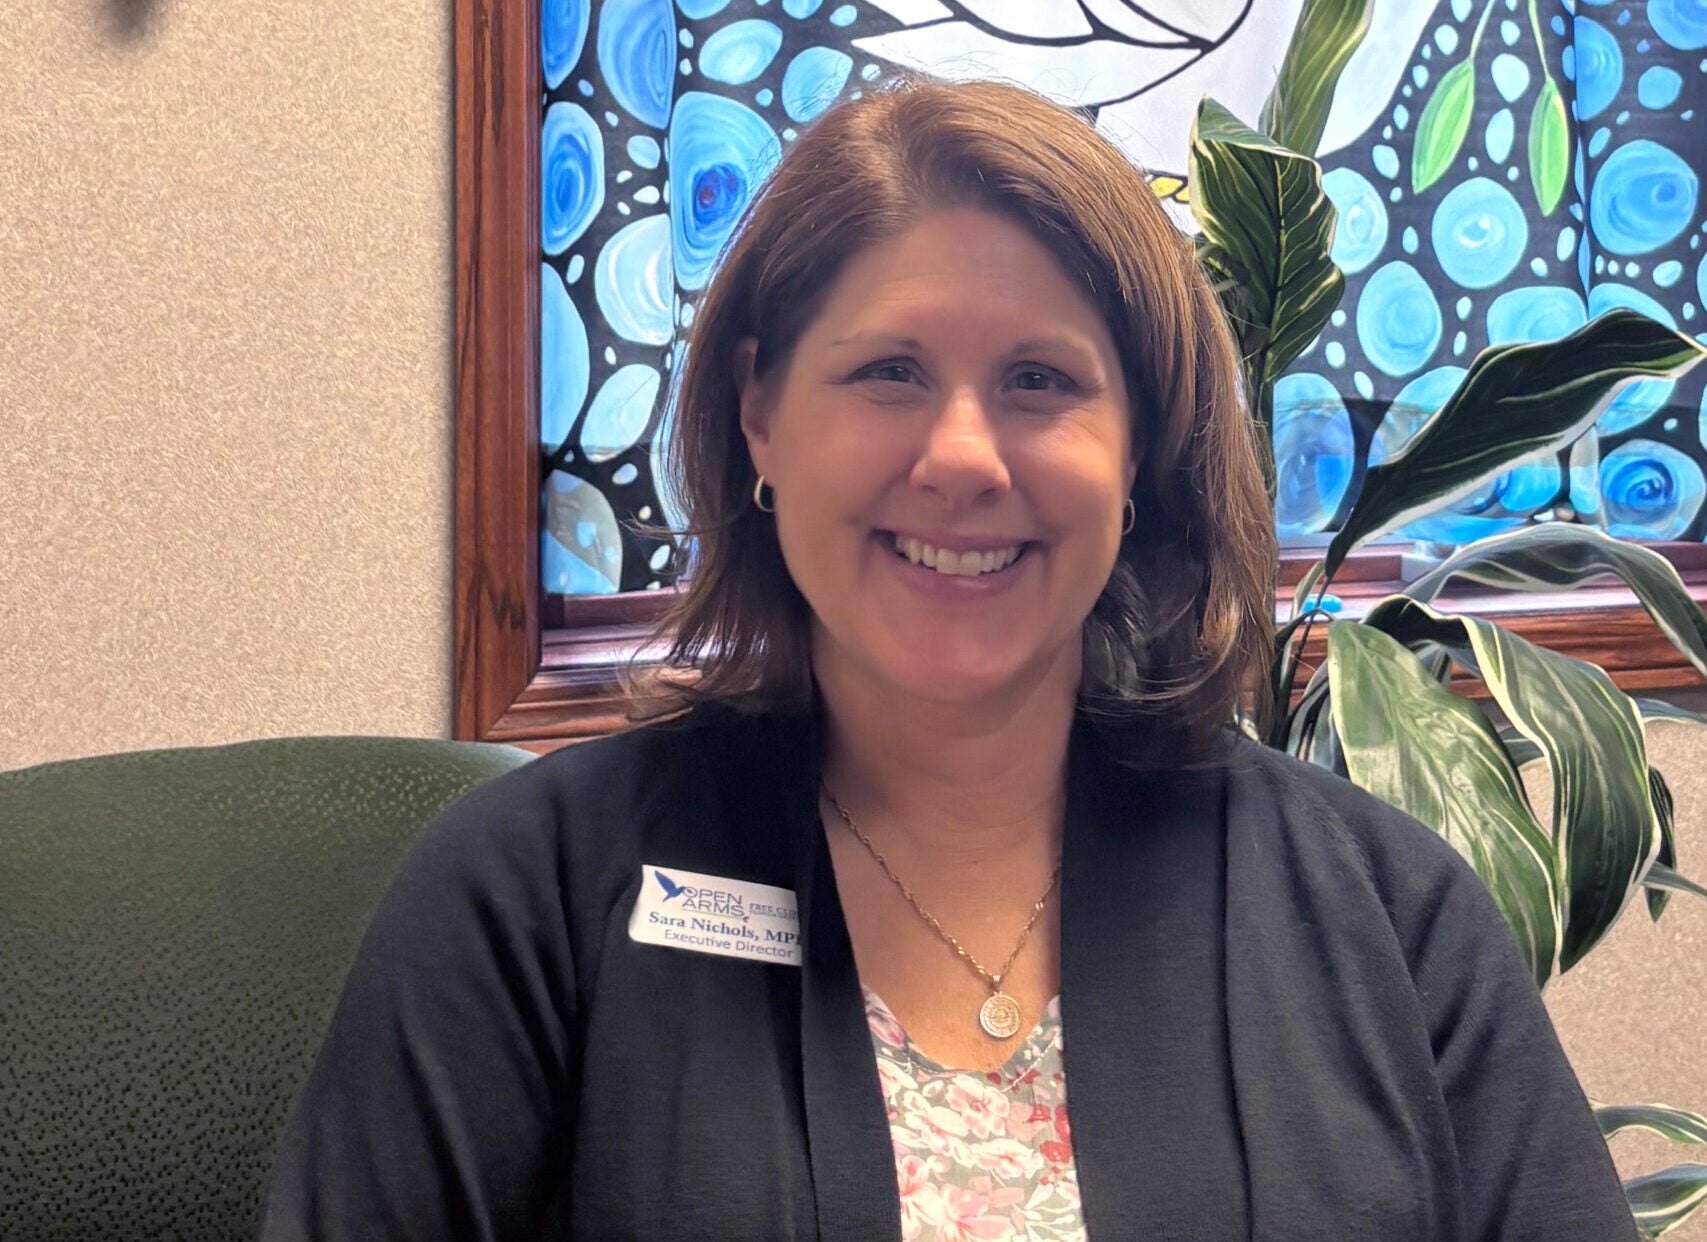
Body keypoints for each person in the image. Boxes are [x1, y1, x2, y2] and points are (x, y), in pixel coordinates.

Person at [260, 77, 1636, 1240]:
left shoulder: (1390, 915)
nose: (964, 457)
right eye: (889, 371)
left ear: (1140, 445)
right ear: (759, 413)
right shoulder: (528, 900)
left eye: (1041, 380)